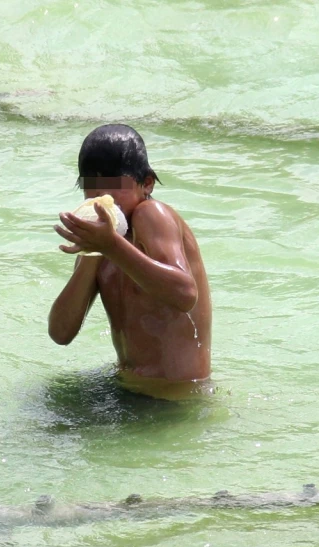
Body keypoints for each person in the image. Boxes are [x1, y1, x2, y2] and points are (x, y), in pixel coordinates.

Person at [48, 124, 212, 399]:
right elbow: (60, 333)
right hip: (125, 387)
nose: (102, 199)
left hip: (174, 398)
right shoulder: (102, 238)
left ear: (146, 183)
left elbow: (185, 294)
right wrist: (93, 254)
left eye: (115, 187)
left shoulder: (151, 214)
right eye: (92, 189)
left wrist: (111, 246)